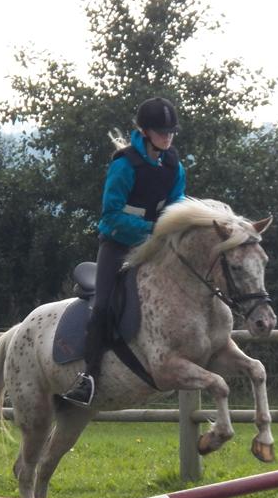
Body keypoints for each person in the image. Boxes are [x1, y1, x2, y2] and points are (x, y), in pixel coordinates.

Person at [62, 97, 187, 406]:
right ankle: (88, 377)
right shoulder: (124, 164)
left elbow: (177, 203)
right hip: (118, 244)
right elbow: (110, 215)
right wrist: (153, 230)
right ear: (144, 132)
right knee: (103, 305)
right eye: (161, 131)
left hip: (156, 246)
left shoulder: (173, 164)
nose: (167, 137)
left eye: (170, 131)